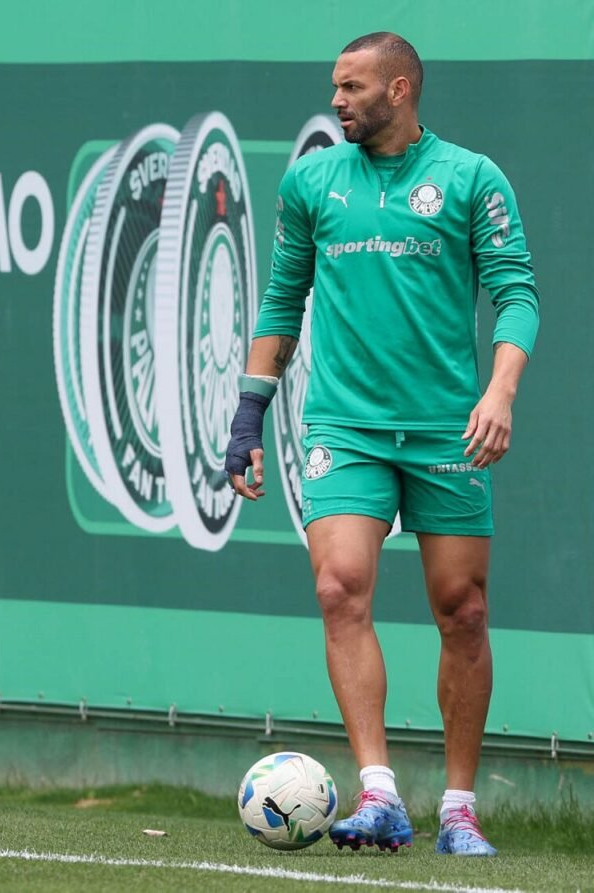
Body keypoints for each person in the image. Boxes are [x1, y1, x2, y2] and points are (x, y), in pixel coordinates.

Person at [226, 32, 539, 857]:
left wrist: (499, 392)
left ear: (401, 90)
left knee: (462, 610)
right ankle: (380, 795)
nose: (338, 100)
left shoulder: (471, 177)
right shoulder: (313, 180)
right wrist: (247, 417)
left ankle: (461, 809)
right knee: (339, 588)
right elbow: (281, 300)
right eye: (335, 86)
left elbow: (517, 296)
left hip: (445, 428)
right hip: (344, 425)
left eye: (354, 87)